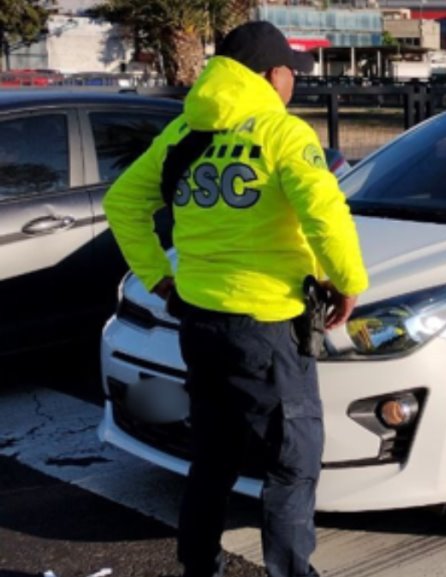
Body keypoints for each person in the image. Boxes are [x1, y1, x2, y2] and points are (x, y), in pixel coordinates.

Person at [102, 21, 368, 577]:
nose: (293, 82)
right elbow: (324, 214)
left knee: (214, 456)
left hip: (199, 324)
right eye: (291, 72)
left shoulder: (185, 134)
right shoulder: (282, 133)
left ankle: (198, 566)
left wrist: (159, 278)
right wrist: (348, 281)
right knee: (291, 464)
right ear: (272, 75)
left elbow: (122, 202)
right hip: (267, 328)